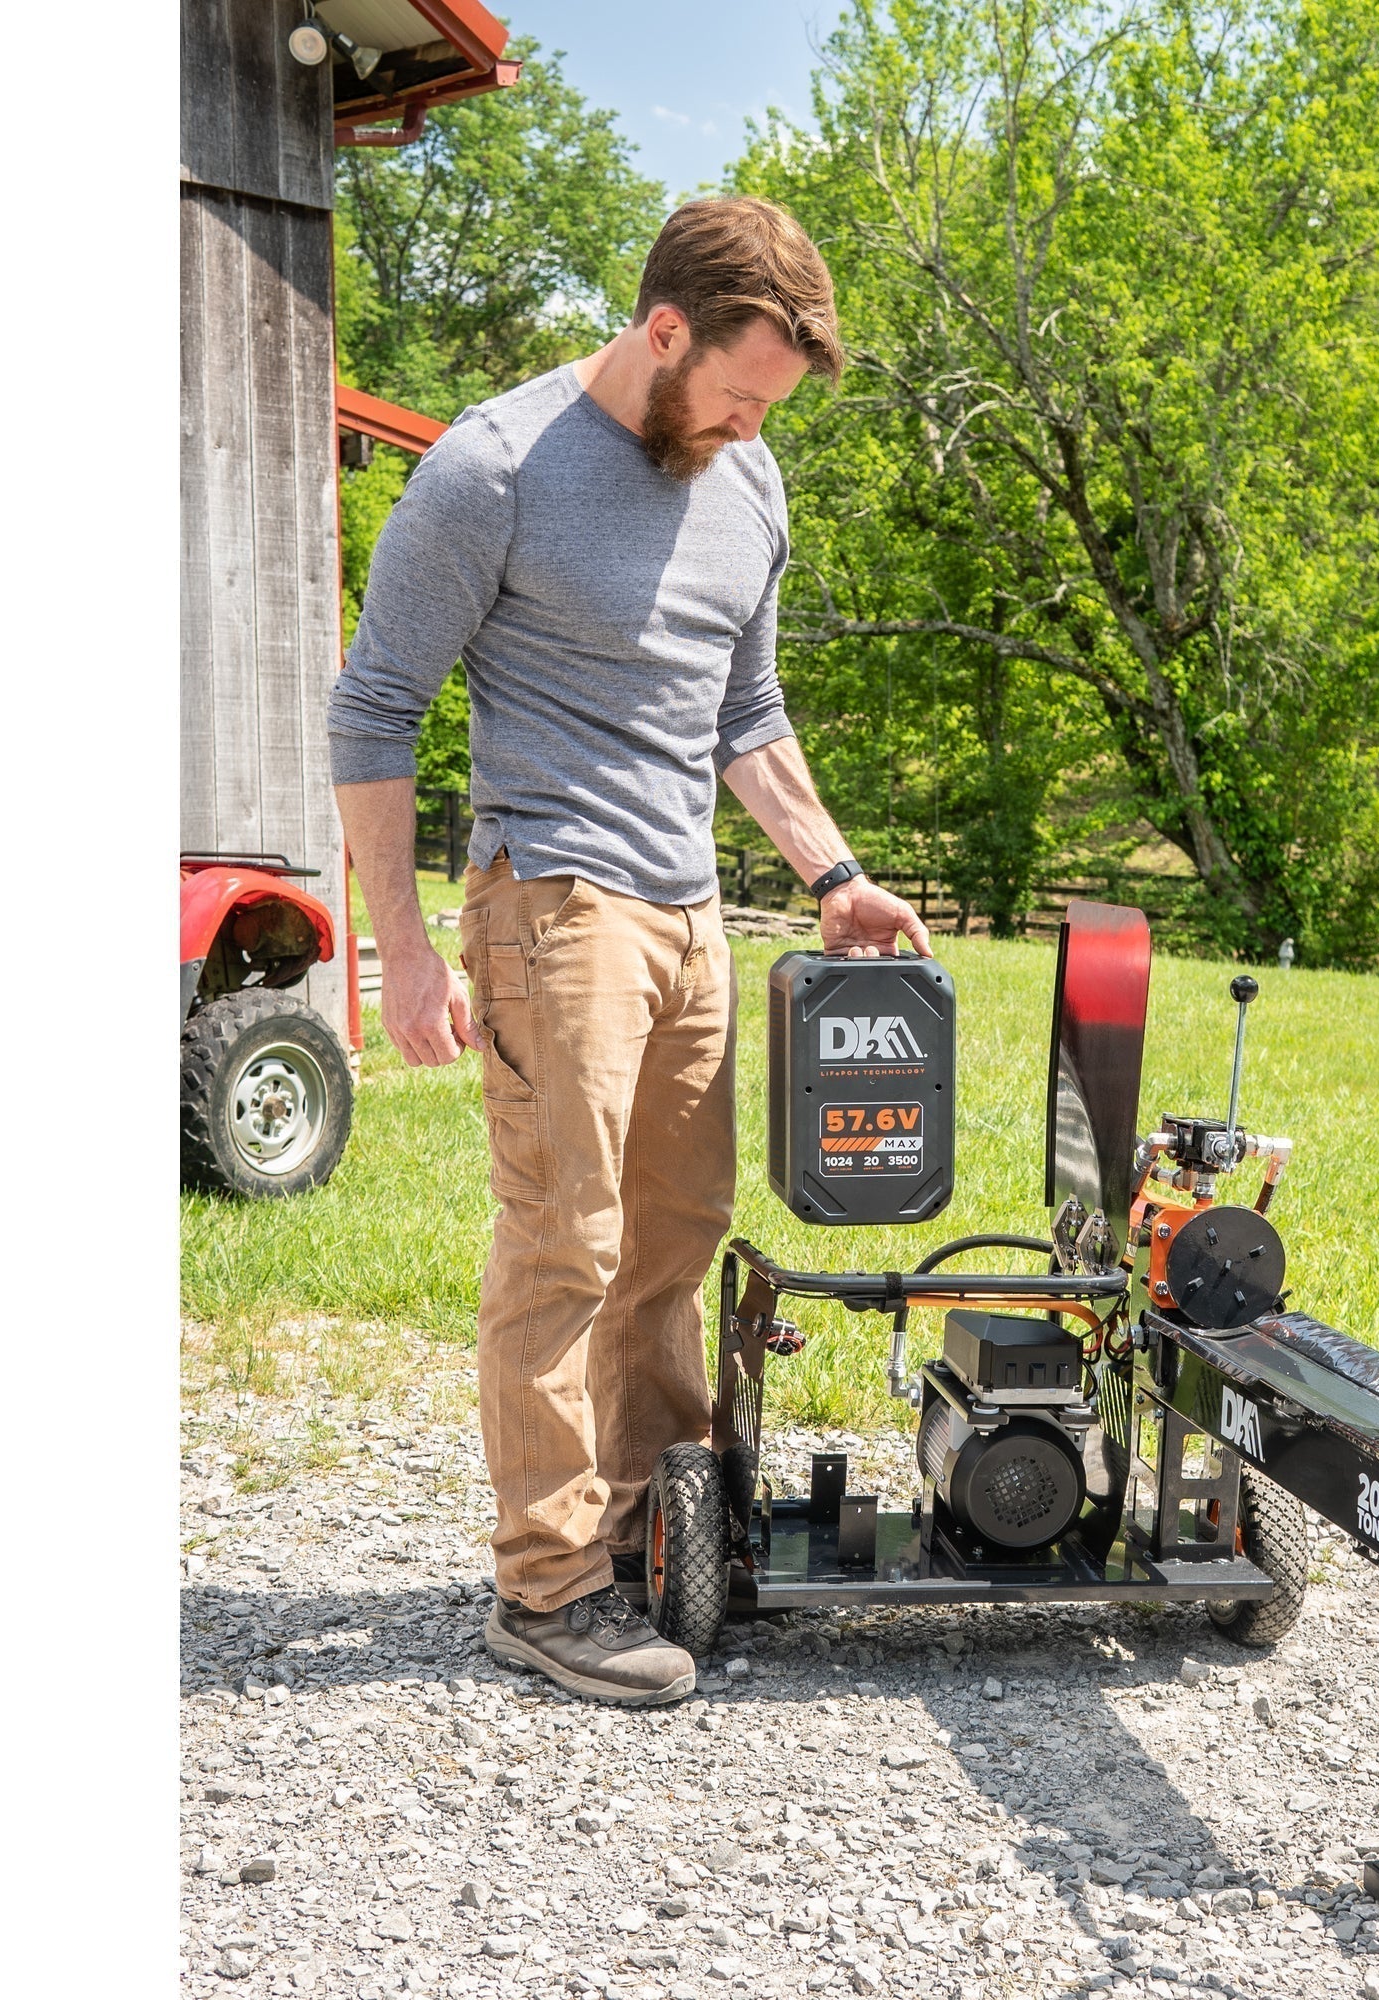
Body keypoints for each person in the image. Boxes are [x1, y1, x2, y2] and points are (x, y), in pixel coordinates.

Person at [328, 196, 930, 1706]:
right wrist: (402, 950)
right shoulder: (492, 471)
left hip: (691, 910)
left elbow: (746, 711)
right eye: (734, 394)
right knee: (565, 1241)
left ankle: (655, 1523)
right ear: (664, 332)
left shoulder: (751, 478)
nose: (747, 427)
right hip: (553, 906)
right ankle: (546, 1586)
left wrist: (836, 873)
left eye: (767, 408)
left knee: (676, 1232)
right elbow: (376, 705)